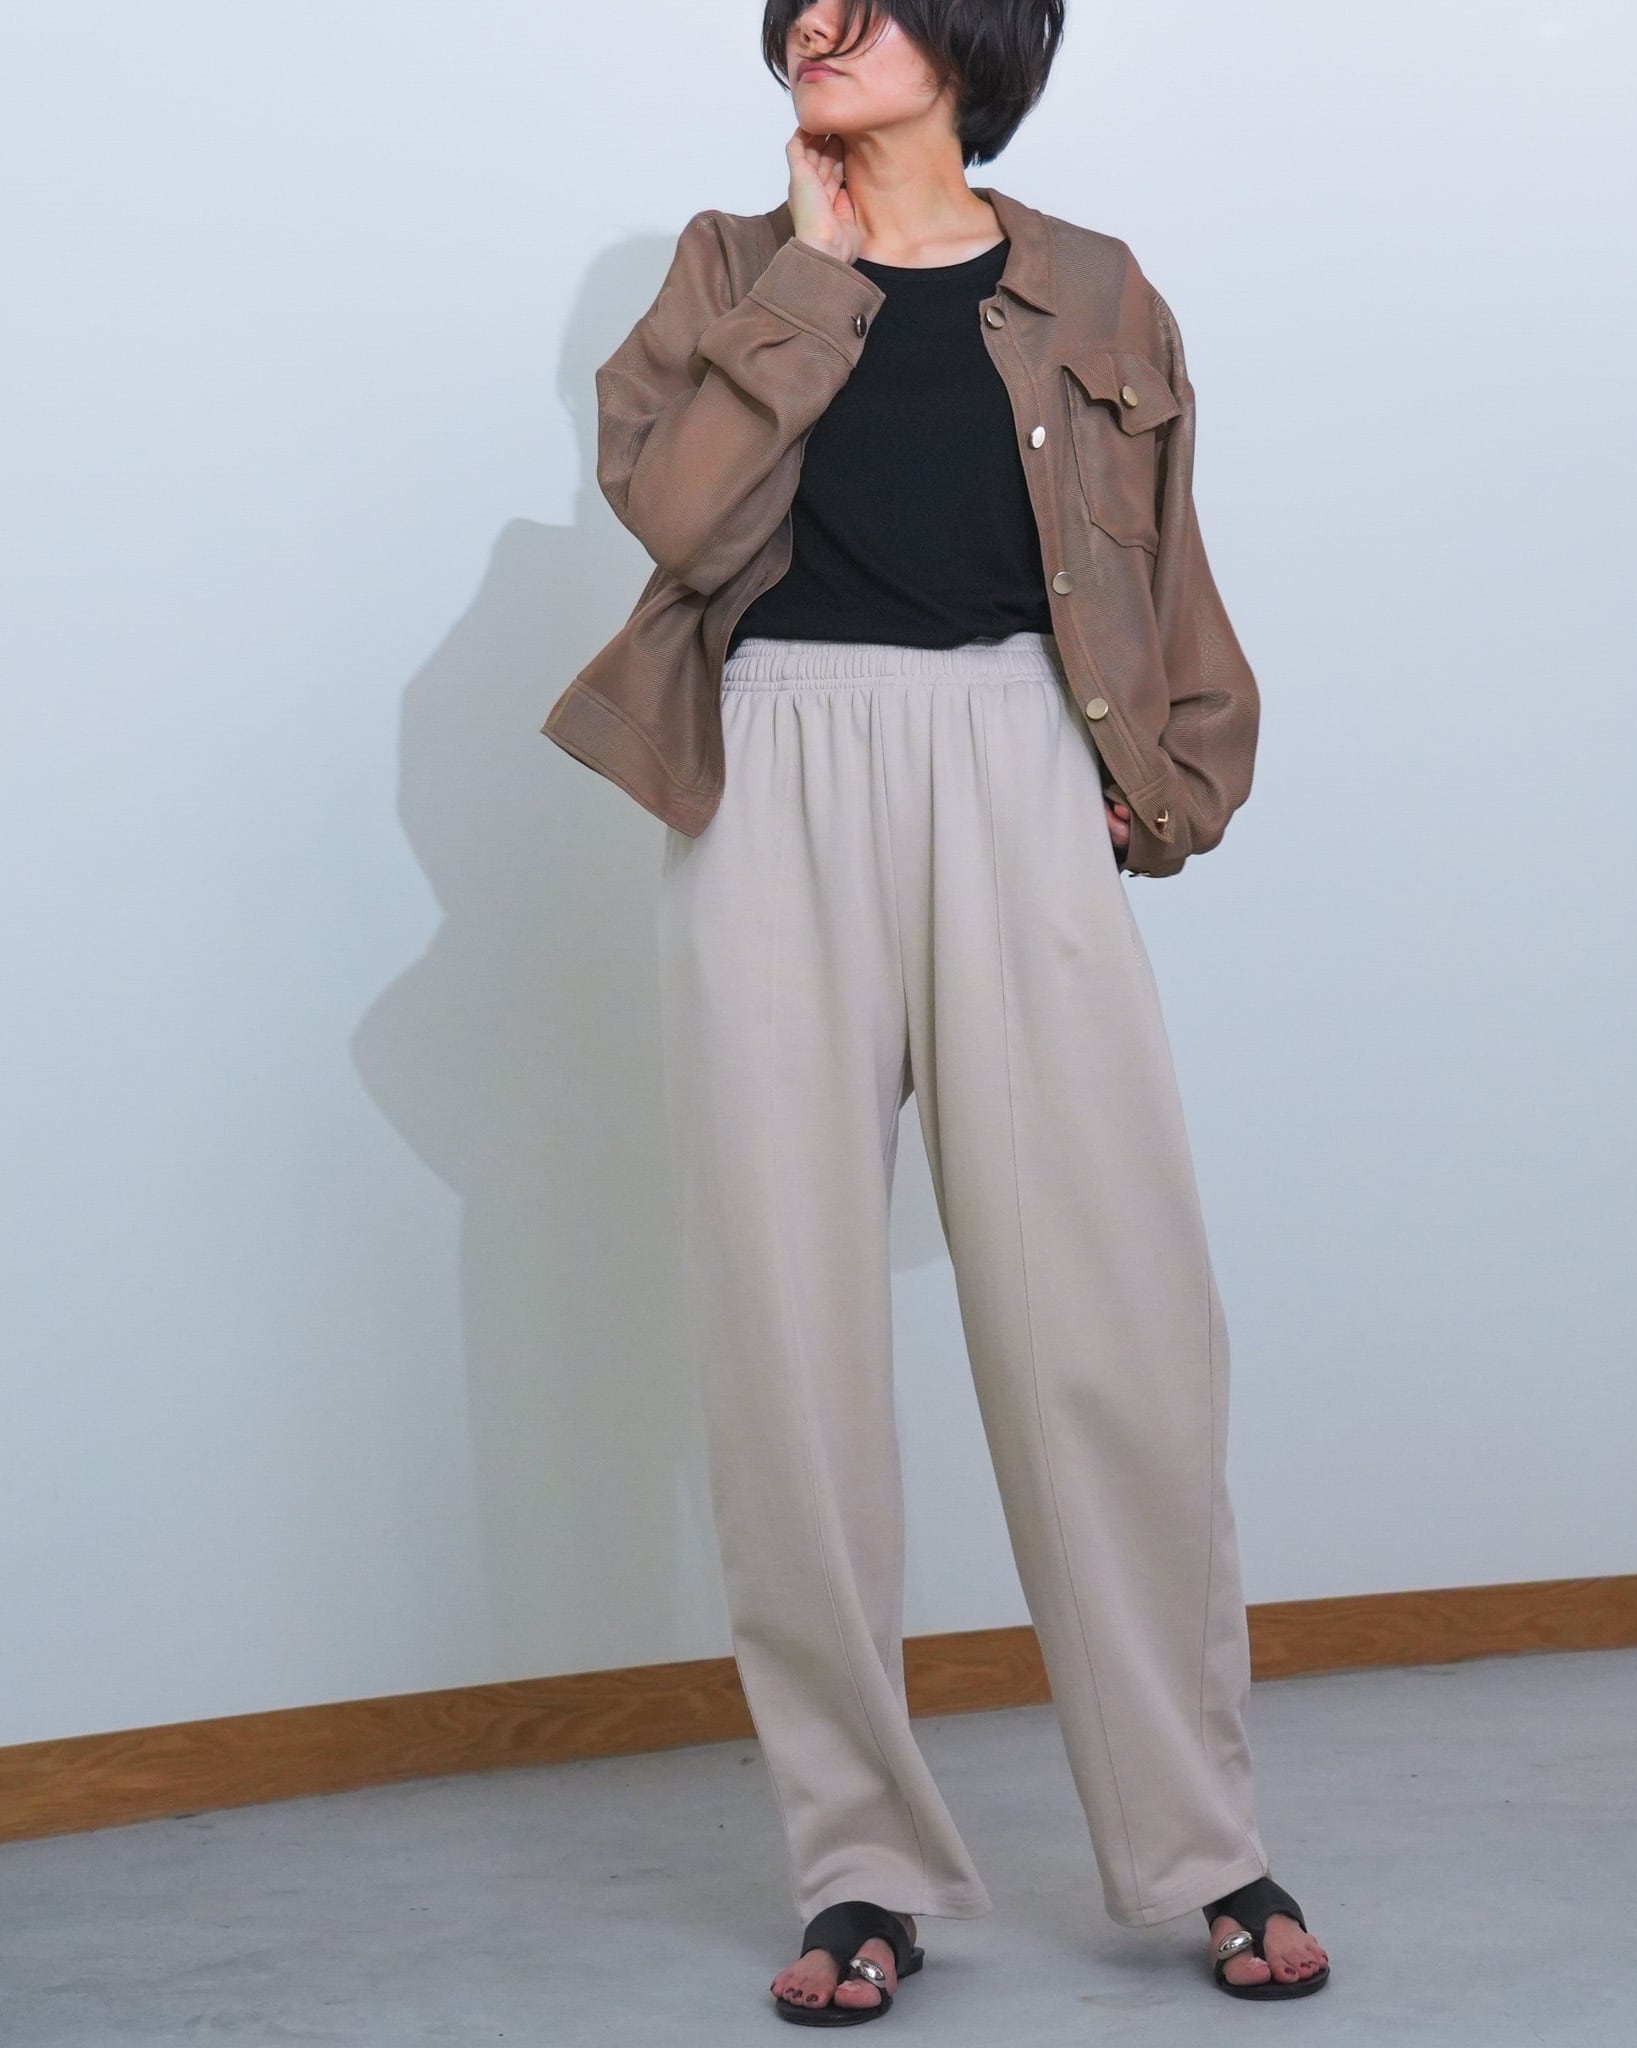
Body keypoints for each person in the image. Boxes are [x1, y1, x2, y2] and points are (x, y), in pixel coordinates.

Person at [547, 0, 1332, 2023]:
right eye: (801, 3)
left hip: (1016, 757)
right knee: (788, 1349)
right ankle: (859, 1868)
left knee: (1115, 1326)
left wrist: (1165, 781)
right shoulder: (726, 271)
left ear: (975, 38)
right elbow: (680, 522)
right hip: (774, 770)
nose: (818, 23)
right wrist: (815, 283)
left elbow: (1169, 561)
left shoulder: (1096, 285)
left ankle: (1202, 1839)